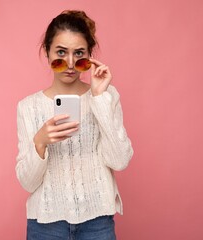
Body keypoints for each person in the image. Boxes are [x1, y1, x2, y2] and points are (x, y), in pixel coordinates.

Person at [15, 10, 133, 240]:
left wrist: (99, 98)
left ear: (90, 56)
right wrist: (40, 143)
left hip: (97, 221)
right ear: (47, 53)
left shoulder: (106, 97)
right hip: (46, 224)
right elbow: (28, 183)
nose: (70, 63)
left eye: (79, 54)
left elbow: (120, 161)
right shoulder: (28, 107)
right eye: (61, 52)